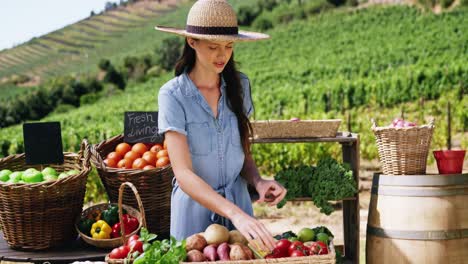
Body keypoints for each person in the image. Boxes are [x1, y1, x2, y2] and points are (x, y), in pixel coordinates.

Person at [155, 0, 286, 250]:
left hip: (238, 204)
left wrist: (257, 181)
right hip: (194, 212)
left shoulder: (240, 86)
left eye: (229, 46)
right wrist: (235, 213)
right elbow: (182, 174)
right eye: (213, 46)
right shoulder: (173, 95)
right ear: (192, 42)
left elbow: (242, 150)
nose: (222, 55)